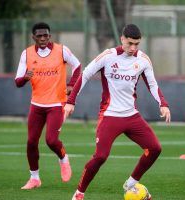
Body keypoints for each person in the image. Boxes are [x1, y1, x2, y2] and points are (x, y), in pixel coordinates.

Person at [64, 24, 171, 200]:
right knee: (100, 157)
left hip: (131, 116)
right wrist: (71, 101)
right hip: (110, 116)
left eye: (137, 44)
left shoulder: (143, 60)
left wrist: (163, 104)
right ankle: (79, 193)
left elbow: (153, 85)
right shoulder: (108, 56)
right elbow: (85, 74)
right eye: (130, 43)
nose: (133, 48)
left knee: (154, 148)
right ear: (122, 39)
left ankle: (131, 183)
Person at [15, 22, 81, 189]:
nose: (43, 38)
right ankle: (34, 178)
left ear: (49, 36)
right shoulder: (27, 54)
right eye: (39, 36)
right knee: (31, 142)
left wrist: (72, 84)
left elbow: (78, 65)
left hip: (57, 104)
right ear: (33, 37)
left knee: (51, 140)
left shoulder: (61, 50)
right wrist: (25, 78)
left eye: (46, 35)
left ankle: (63, 158)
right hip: (36, 105)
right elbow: (18, 81)